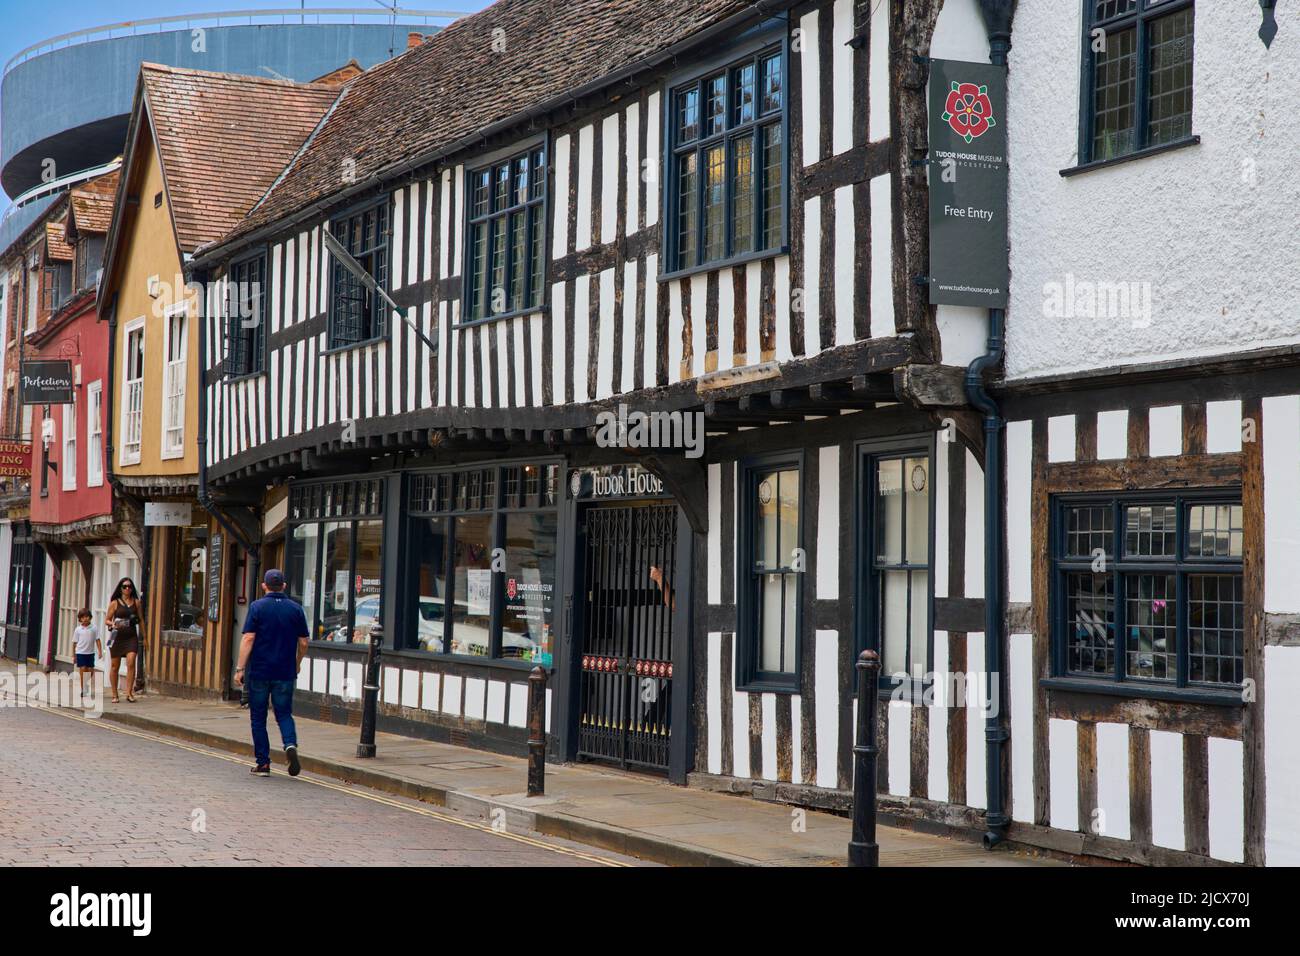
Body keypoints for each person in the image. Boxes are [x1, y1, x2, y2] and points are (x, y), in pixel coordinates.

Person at [235, 569, 309, 777]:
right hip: (285, 671)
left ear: (264, 586)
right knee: (284, 713)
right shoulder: (296, 609)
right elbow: (303, 642)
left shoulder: (257, 607)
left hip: (260, 671)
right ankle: (290, 744)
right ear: (284, 586)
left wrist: (240, 668)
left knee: (258, 717)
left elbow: (248, 638)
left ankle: (263, 764)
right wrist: (297, 663)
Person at [105, 577, 143, 704]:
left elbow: (141, 620)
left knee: (131, 662)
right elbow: (107, 620)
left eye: (130, 586)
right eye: (125, 586)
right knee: (115, 666)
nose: (127, 589)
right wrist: (113, 623)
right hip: (116, 636)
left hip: (131, 636)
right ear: (120, 588)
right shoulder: (115, 603)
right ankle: (115, 694)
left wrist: (145, 638)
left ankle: (129, 693)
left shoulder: (136, 602)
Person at [72, 609, 102, 701]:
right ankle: (83, 689)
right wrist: (74, 655)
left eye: (87, 617)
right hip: (80, 652)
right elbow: (74, 643)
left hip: (90, 653)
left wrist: (100, 651)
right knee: (83, 669)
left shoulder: (94, 628)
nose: (85, 619)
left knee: (90, 671)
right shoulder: (78, 629)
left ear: (90, 618)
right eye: (83, 617)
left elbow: (97, 640)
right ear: (80, 619)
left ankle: (85, 683)